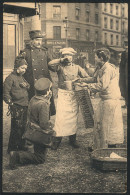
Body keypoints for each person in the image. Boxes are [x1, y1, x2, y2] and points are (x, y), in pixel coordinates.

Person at [80, 48, 124, 150]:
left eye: (96, 56)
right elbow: (94, 78)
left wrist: (87, 86)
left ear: (101, 58)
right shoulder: (101, 67)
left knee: (107, 125)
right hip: (105, 99)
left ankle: (106, 147)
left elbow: (102, 86)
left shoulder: (108, 69)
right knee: (99, 122)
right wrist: (82, 80)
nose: (94, 58)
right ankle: (99, 146)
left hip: (110, 100)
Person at [9, 78, 55, 170]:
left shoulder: (34, 98)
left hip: (31, 129)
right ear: (46, 92)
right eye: (49, 89)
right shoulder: (43, 104)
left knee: (40, 152)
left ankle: (18, 154)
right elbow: (43, 124)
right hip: (39, 132)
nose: (50, 91)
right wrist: (51, 126)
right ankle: (17, 156)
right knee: (40, 158)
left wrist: (47, 98)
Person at [48, 47, 89, 149]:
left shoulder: (77, 67)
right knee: (61, 118)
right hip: (63, 94)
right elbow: (50, 64)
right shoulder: (60, 67)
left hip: (74, 94)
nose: (68, 57)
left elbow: (87, 77)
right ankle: (57, 139)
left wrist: (79, 80)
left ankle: (72, 139)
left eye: (69, 56)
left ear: (72, 57)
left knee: (73, 117)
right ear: (63, 57)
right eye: (65, 56)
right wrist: (60, 60)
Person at [20, 15, 56, 116]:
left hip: (44, 83)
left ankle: (44, 125)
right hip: (31, 84)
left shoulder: (45, 52)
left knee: (45, 107)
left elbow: (52, 66)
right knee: (33, 109)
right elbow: (19, 69)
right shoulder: (25, 52)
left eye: (40, 40)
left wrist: (59, 64)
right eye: (36, 40)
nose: (39, 42)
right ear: (31, 40)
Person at [3, 56, 29, 154]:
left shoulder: (21, 77)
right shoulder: (10, 78)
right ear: (16, 67)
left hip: (24, 105)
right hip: (16, 106)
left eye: (25, 68)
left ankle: (21, 145)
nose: (24, 70)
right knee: (16, 128)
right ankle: (12, 148)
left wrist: (26, 85)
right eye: (22, 68)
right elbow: (5, 93)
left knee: (23, 127)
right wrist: (11, 103)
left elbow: (27, 86)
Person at [119, 39, 128, 107]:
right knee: (124, 86)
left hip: (125, 72)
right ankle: (126, 103)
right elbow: (122, 63)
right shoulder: (123, 53)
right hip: (124, 73)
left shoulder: (124, 53)